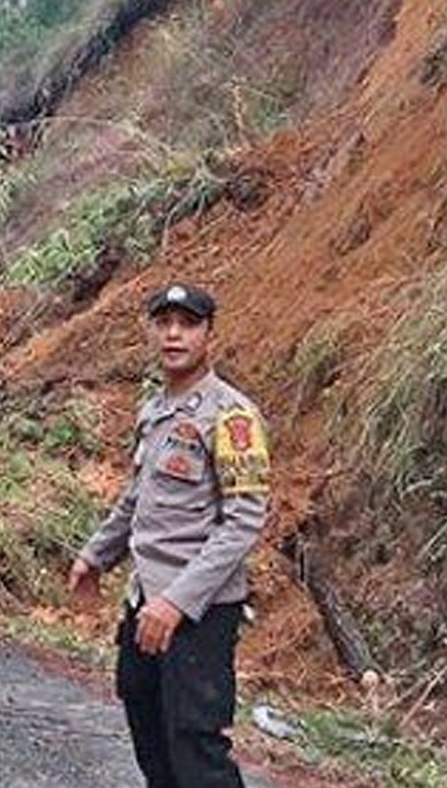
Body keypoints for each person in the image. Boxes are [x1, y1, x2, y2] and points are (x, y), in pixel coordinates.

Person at [68, 282, 271, 788]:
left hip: (197, 611)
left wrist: (177, 603)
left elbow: (244, 520)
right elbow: (136, 500)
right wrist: (95, 556)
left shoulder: (232, 416)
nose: (174, 335)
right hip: (146, 601)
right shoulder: (155, 412)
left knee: (196, 745)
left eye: (188, 324)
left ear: (209, 334)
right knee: (147, 722)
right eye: (164, 323)